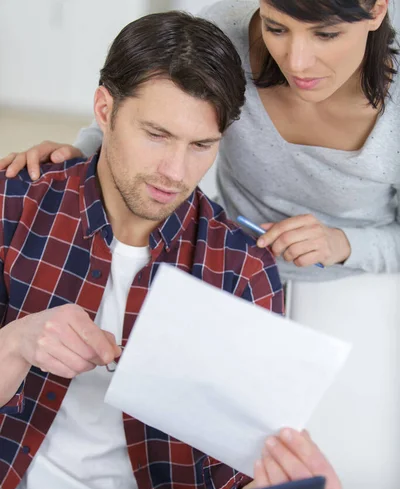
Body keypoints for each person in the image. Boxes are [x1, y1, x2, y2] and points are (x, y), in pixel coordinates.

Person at [0, 11, 340, 489]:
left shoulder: (242, 271)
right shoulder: (14, 201)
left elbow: (236, 483)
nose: (175, 173)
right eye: (157, 135)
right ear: (104, 109)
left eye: (201, 145)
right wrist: (15, 344)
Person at [2, 0, 399, 279]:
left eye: (326, 34)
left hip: (357, 280)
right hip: (234, 262)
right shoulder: (227, 30)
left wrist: (344, 245)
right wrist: (79, 156)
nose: (295, 61)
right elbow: (147, 100)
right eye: (276, 27)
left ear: (377, 9)